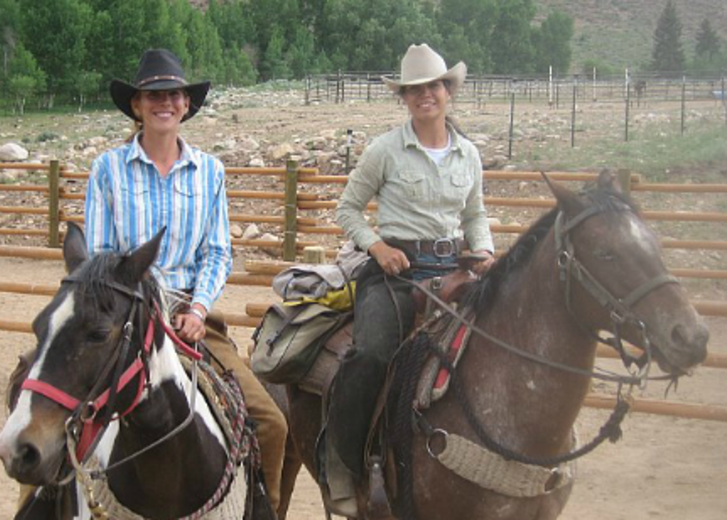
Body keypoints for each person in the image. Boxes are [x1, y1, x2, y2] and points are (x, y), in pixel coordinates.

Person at [85, 48, 287, 515]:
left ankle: (261, 511)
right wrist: (135, 309)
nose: (164, 102)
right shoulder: (108, 170)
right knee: (56, 413)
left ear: (186, 105)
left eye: (173, 94)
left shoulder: (210, 171)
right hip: (124, 323)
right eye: (153, 94)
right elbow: (99, 259)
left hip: (192, 322)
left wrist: (197, 311)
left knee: (270, 424)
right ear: (136, 105)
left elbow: (217, 252)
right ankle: (43, 502)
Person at [323, 43, 495, 515]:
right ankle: (342, 464)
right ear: (404, 97)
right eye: (415, 89)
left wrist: (484, 251)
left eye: (433, 86)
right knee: (369, 355)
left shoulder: (469, 155)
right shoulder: (385, 150)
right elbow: (347, 209)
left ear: (448, 91)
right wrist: (377, 246)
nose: (426, 96)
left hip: (456, 273)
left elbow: (476, 214)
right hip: (396, 276)